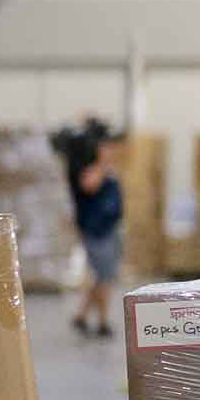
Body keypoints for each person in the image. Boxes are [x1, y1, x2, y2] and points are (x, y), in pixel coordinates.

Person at [68, 125, 123, 338]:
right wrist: (102, 164)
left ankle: (81, 316)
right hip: (96, 230)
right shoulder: (87, 168)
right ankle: (103, 321)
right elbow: (89, 186)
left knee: (103, 276)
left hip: (108, 228)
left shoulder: (103, 168)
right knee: (104, 277)